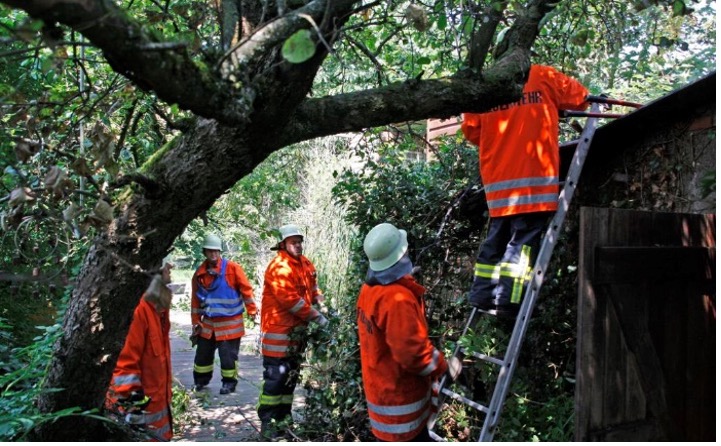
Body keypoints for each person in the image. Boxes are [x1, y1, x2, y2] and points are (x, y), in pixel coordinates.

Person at [460, 64, 589, 317]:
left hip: (498, 184)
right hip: (534, 181)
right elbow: (581, 98)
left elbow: (472, 131)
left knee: (496, 240)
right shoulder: (543, 76)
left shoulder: (482, 86)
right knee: (523, 245)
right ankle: (509, 300)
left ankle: (481, 294)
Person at [357, 222, 460, 442]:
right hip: (401, 407)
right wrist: (443, 367)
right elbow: (412, 353)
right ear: (401, 254)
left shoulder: (368, 290)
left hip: (382, 396)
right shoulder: (398, 300)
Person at [257, 224, 328, 438]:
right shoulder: (279, 267)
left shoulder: (305, 264)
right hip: (277, 336)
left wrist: (323, 305)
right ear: (283, 244)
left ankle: (283, 422)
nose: (297, 245)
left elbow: (314, 289)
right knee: (275, 382)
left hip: (297, 337)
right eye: (293, 242)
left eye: (299, 241)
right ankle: (268, 424)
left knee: (289, 381)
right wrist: (317, 316)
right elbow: (290, 301)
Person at [106, 262, 175, 441]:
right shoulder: (137, 310)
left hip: (156, 422)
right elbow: (123, 368)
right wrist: (132, 412)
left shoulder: (157, 309)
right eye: (167, 268)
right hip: (139, 422)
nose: (171, 272)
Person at [191, 233, 257, 394]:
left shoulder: (233, 269)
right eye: (210, 251)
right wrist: (195, 321)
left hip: (230, 323)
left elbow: (246, 290)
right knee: (202, 355)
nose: (213, 254)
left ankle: (229, 383)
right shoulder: (199, 274)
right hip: (208, 323)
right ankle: (200, 382)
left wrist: (252, 310)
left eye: (216, 251)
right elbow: (195, 300)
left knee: (228, 357)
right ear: (205, 252)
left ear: (220, 252)